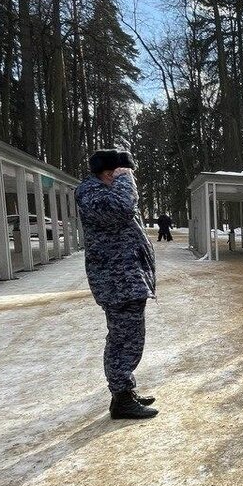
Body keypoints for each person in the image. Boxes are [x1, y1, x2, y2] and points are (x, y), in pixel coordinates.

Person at [75, 149, 158, 420]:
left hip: (126, 280)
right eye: (125, 174)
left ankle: (124, 391)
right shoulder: (93, 194)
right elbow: (122, 208)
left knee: (129, 338)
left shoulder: (105, 193)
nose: (130, 180)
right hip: (117, 282)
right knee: (124, 340)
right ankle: (122, 399)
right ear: (111, 173)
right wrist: (126, 180)